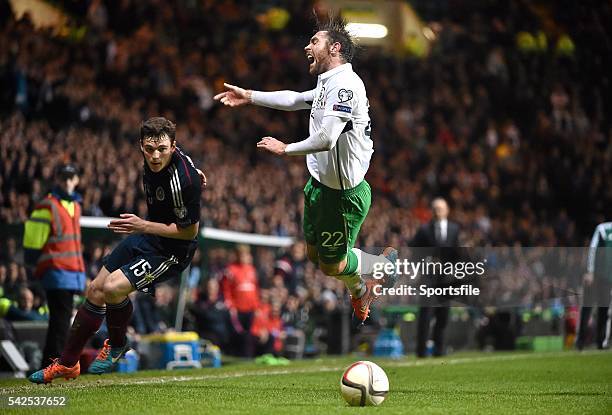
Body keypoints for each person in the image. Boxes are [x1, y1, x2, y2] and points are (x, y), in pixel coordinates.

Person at [214, 15, 397, 323]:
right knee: (315, 255)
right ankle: (360, 290)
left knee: (331, 265)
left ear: (334, 48)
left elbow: (326, 139)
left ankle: (381, 267)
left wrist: (285, 148)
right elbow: (296, 99)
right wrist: (250, 96)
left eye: (315, 42)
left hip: (342, 196)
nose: (306, 46)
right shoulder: (329, 82)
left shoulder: (346, 86)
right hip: (319, 185)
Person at [29, 117, 205, 384]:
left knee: (112, 288)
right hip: (147, 235)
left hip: (173, 250)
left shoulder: (184, 181)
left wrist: (143, 225)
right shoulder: (163, 156)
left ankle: (118, 343)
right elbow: (180, 159)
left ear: (173, 146)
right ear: (141, 146)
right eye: (149, 149)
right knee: (95, 289)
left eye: (162, 149)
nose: (155, 156)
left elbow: (190, 232)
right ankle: (67, 364)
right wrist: (144, 228)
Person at [22, 164, 86, 366]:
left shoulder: (75, 206)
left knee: (59, 320)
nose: (67, 182)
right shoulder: (47, 205)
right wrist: (31, 266)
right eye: (64, 178)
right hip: (56, 271)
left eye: (71, 178)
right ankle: (56, 364)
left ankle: (50, 364)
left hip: (70, 273)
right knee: (61, 319)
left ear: (76, 181)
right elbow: (33, 238)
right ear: (57, 180)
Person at [409, 197, 461, 357]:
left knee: (443, 314)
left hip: (446, 278)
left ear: (447, 211)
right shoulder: (424, 229)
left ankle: (440, 350)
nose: (438, 211)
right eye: (435, 208)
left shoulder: (454, 229)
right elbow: (413, 249)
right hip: (428, 277)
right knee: (426, 314)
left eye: (441, 208)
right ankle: (421, 351)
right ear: (432, 211)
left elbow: (457, 251)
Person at [576, 221, 612, 350]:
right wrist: (590, 271)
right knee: (587, 307)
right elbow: (593, 248)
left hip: (608, 278)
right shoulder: (603, 229)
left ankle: (600, 342)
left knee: (604, 309)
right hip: (595, 275)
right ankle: (580, 341)